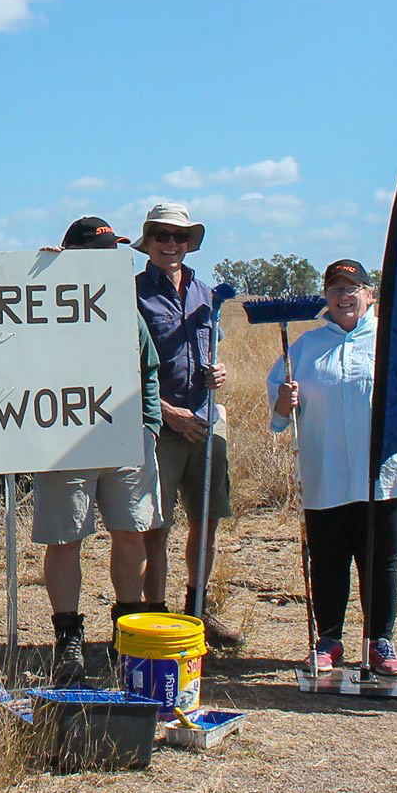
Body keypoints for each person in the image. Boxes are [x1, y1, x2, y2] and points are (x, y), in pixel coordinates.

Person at [268, 258, 397, 674]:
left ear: (369, 295)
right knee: (329, 560)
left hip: (385, 475)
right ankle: (329, 639)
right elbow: (280, 416)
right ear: (325, 298)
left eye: (353, 289)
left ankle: (380, 642)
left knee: (381, 560)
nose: (344, 297)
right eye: (335, 289)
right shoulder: (305, 347)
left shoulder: (392, 343)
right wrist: (283, 403)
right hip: (324, 471)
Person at [34, 216, 163, 683]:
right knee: (65, 537)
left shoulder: (124, 307)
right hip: (63, 441)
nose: (110, 258)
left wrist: (149, 425)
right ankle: (68, 638)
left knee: (130, 532)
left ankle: (126, 631)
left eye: (114, 251)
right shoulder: (40, 300)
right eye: (99, 250)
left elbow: (149, 367)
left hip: (126, 438)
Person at [134, 202, 243, 648]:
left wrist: (221, 372)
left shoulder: (207, 292)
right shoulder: (131, 292)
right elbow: (124, 366)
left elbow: (210, 349)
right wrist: (167, 413)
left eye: (179, 237)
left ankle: (196, 612)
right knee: (155, 526)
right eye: (162, 236)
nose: (171, 244)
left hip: (206, 420)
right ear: (148, 240)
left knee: (207, 520)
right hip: (161, 424)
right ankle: (154, 616)